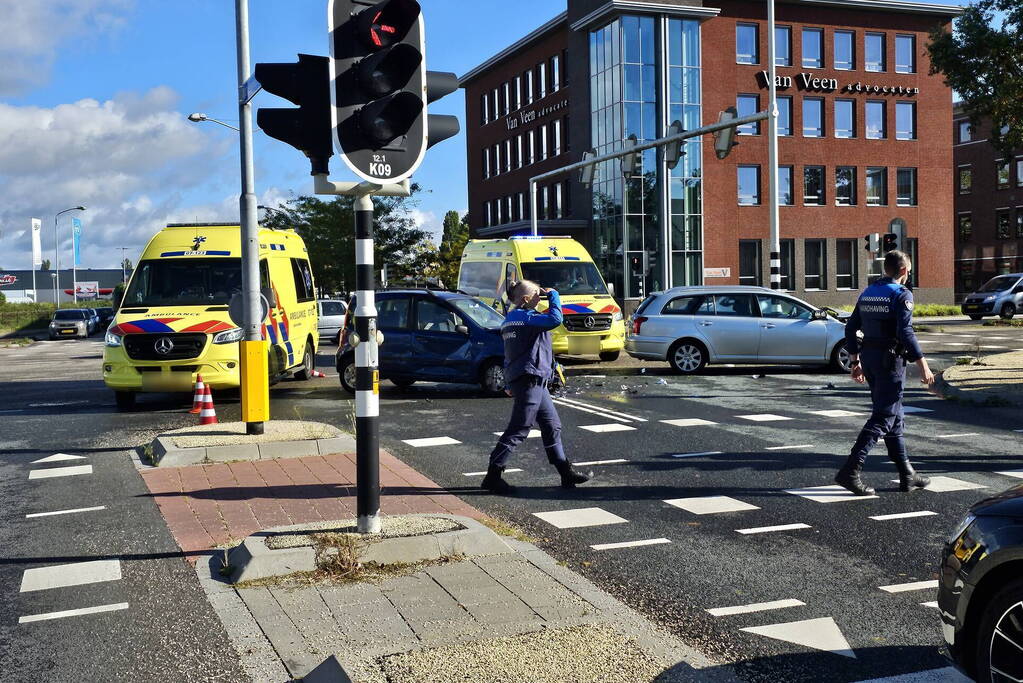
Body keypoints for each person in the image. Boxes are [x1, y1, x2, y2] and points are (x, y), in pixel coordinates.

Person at [835, 250, 935, 496]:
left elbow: (851, 327)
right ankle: (850, 470)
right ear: (903, 270)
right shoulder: (902, 295)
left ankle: (907, 474)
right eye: (908, 270)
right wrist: (923, 364)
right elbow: (905, 332)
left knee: (894, 418)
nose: (909, 274)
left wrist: (855, 360)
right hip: (890, 360)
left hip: (869, 358)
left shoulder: (869, 292)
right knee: (883, 416)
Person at [482, 280, 589, 495]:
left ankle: (565, 472)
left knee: (552, 425)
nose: (540, 298)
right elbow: (555, 318)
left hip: (533, 380)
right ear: (525, 299)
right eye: (536, 295)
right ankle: (493, 476)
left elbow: (511, 353)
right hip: (529, 379)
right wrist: (554, 295)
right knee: (519, 428)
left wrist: (510, 381)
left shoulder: (511, 320)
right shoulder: (527, 318)